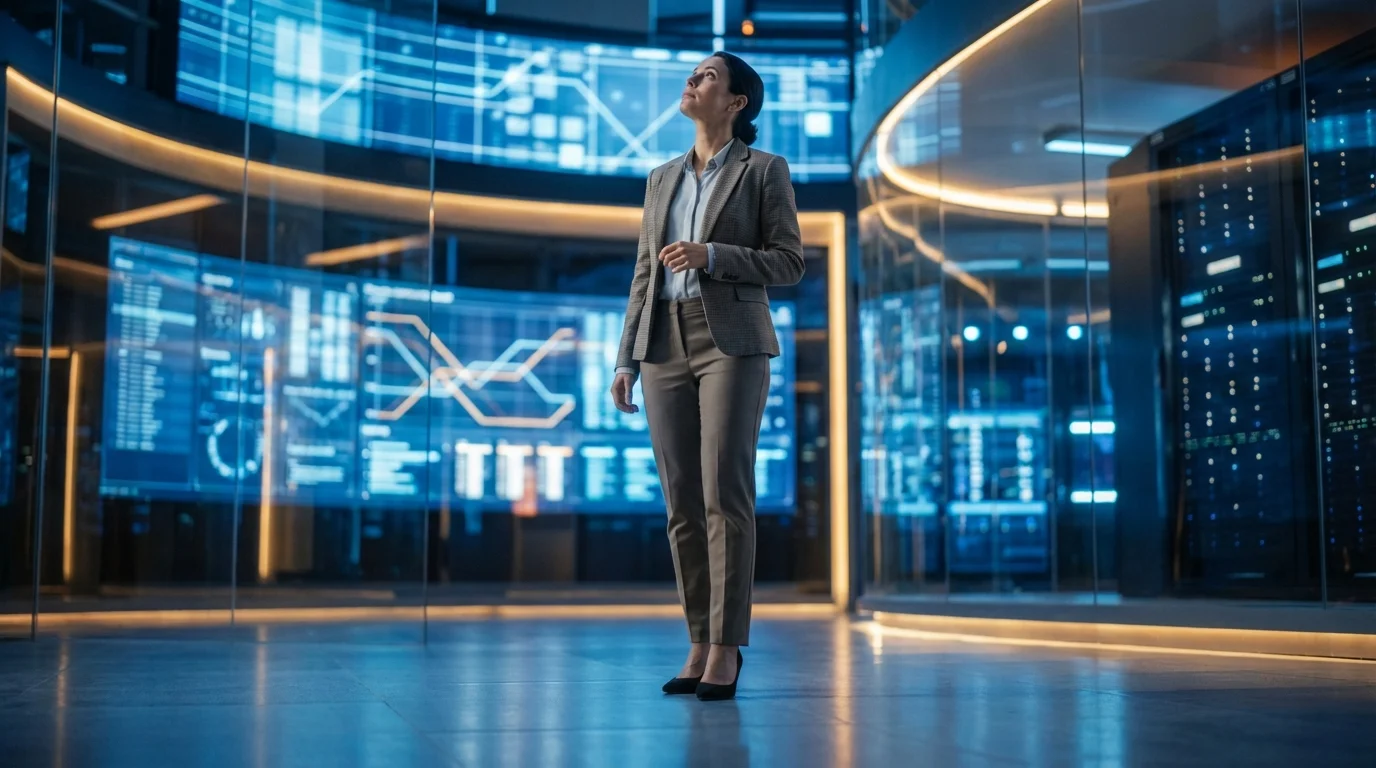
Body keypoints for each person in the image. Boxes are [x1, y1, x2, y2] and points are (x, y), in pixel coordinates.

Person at [609, 51, 804, 702]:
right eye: (692, 74)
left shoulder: (764, 170)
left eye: (707, 76)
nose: (691, 82)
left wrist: (711, 254)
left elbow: (788, 263)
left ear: (737, 102)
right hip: (663, 339)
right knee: (681, 504)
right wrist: (625, 359)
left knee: (726, 493)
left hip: (732, 341)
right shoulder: (661, 177)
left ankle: (726, 646)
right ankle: (697, 639)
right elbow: (644, 271)